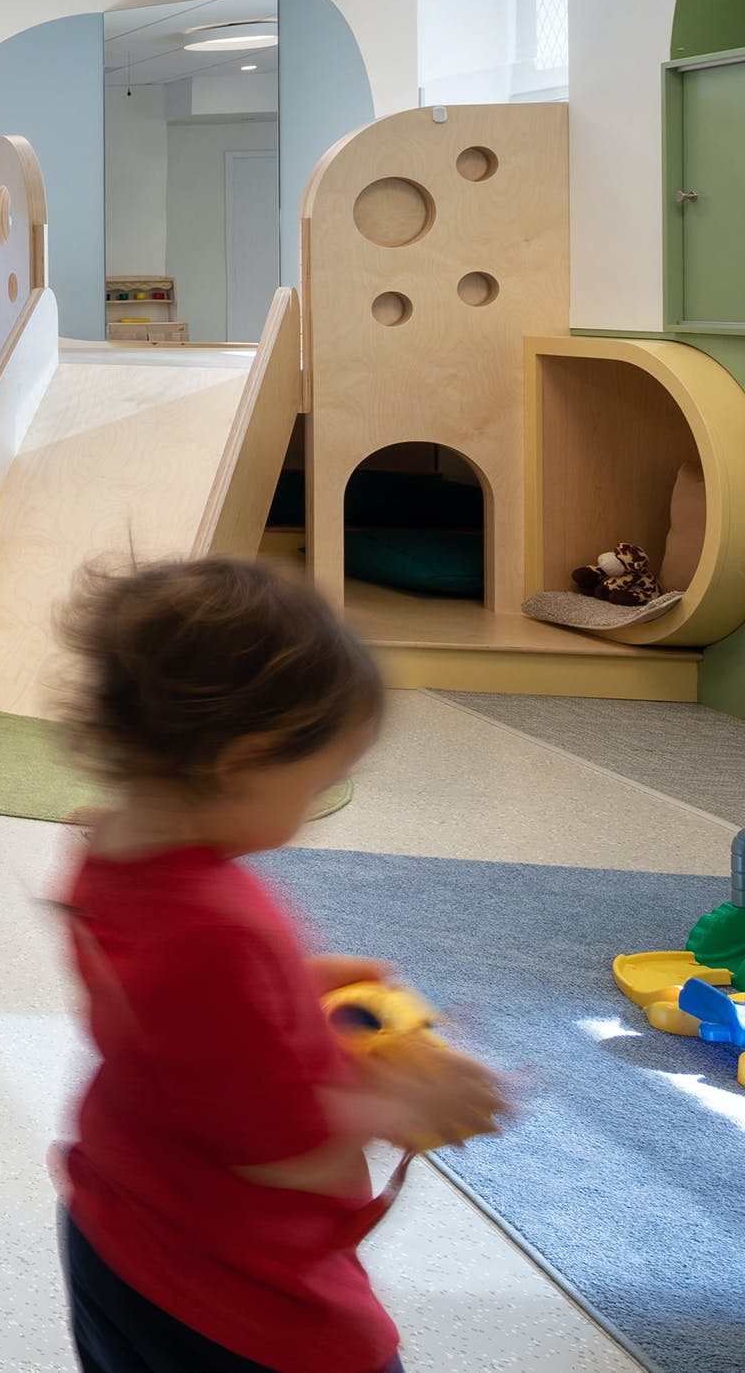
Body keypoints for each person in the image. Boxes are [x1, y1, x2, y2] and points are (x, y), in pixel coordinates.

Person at [55, 557, 508, 1373]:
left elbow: (167, 1018)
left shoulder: (110, 847)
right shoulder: (216, 930)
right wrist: (398, 1100)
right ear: (242, 761)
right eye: (318, 782)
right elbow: (275, 1151)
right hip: (233, 1284)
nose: (318, 807)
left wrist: (289, 992)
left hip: (117, 1223)